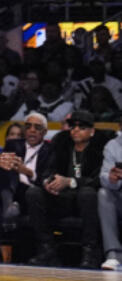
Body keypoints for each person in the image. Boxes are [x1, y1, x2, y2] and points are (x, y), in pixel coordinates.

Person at [28, 108, 110, 267]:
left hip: (85, 202)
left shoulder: (100, 146)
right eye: (73, 127)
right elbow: (47, 170)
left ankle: (89, 251)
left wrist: (71, 181)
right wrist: (48, 182)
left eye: (82, 127)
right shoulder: (61, 141)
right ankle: (47, 248)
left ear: (92, 131)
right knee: (33, 193)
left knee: (88, 193)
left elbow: (99, 179)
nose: (76, 130)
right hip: (62, 198)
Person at [0, 111, 52, 260]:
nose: (32, 130)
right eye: (28, 126)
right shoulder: (13, 144)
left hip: (32, 194)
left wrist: (27, 171)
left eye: (37, 127)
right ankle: (9, 207)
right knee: (2, 174)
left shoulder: (50, 150)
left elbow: (47, 178)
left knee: (3, 183)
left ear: (45, 132)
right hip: (8, 192)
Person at [98, 121, 122, 269]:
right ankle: (114, 254)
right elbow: (104, 176)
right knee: (103, 193)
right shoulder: (112, 146)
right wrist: (112, 179)